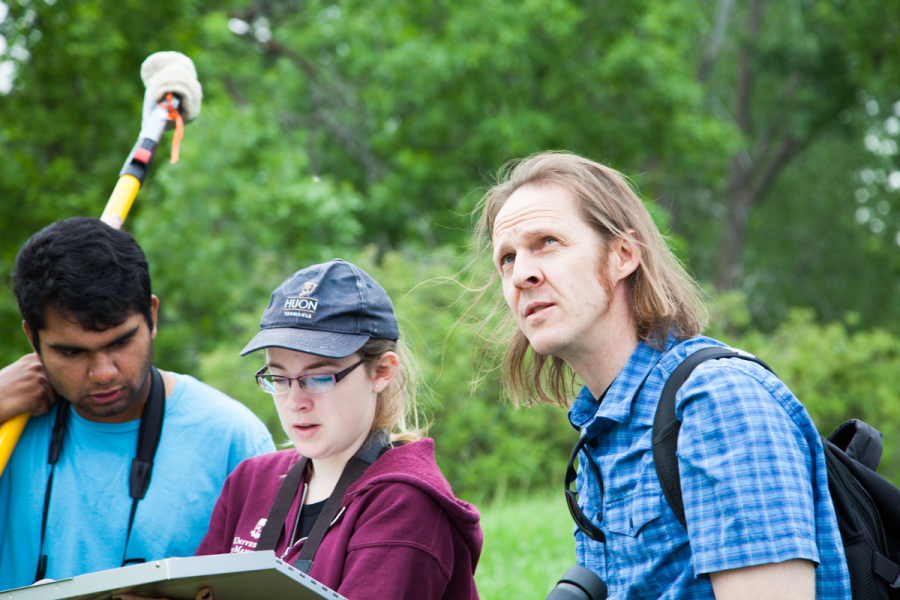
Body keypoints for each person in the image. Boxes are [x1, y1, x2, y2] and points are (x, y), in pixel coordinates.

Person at [474, 152, 850, 599]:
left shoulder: (719, 402)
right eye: (507, 259)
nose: (522, 275)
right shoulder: (605, 431)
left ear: (623, 255)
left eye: (548, 242)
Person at [153, 258, 482, 600]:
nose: (296, 401)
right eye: (278, 377)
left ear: (382, 371)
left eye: (319, 378)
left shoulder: (405, 503)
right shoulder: (251, 481)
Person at [0, 218, 275, 591]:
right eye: (71, 352)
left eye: (119, 343)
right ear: (33, 338)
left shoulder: (233, 439)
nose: (102, 372)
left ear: (152, 316)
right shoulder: (9, 419)